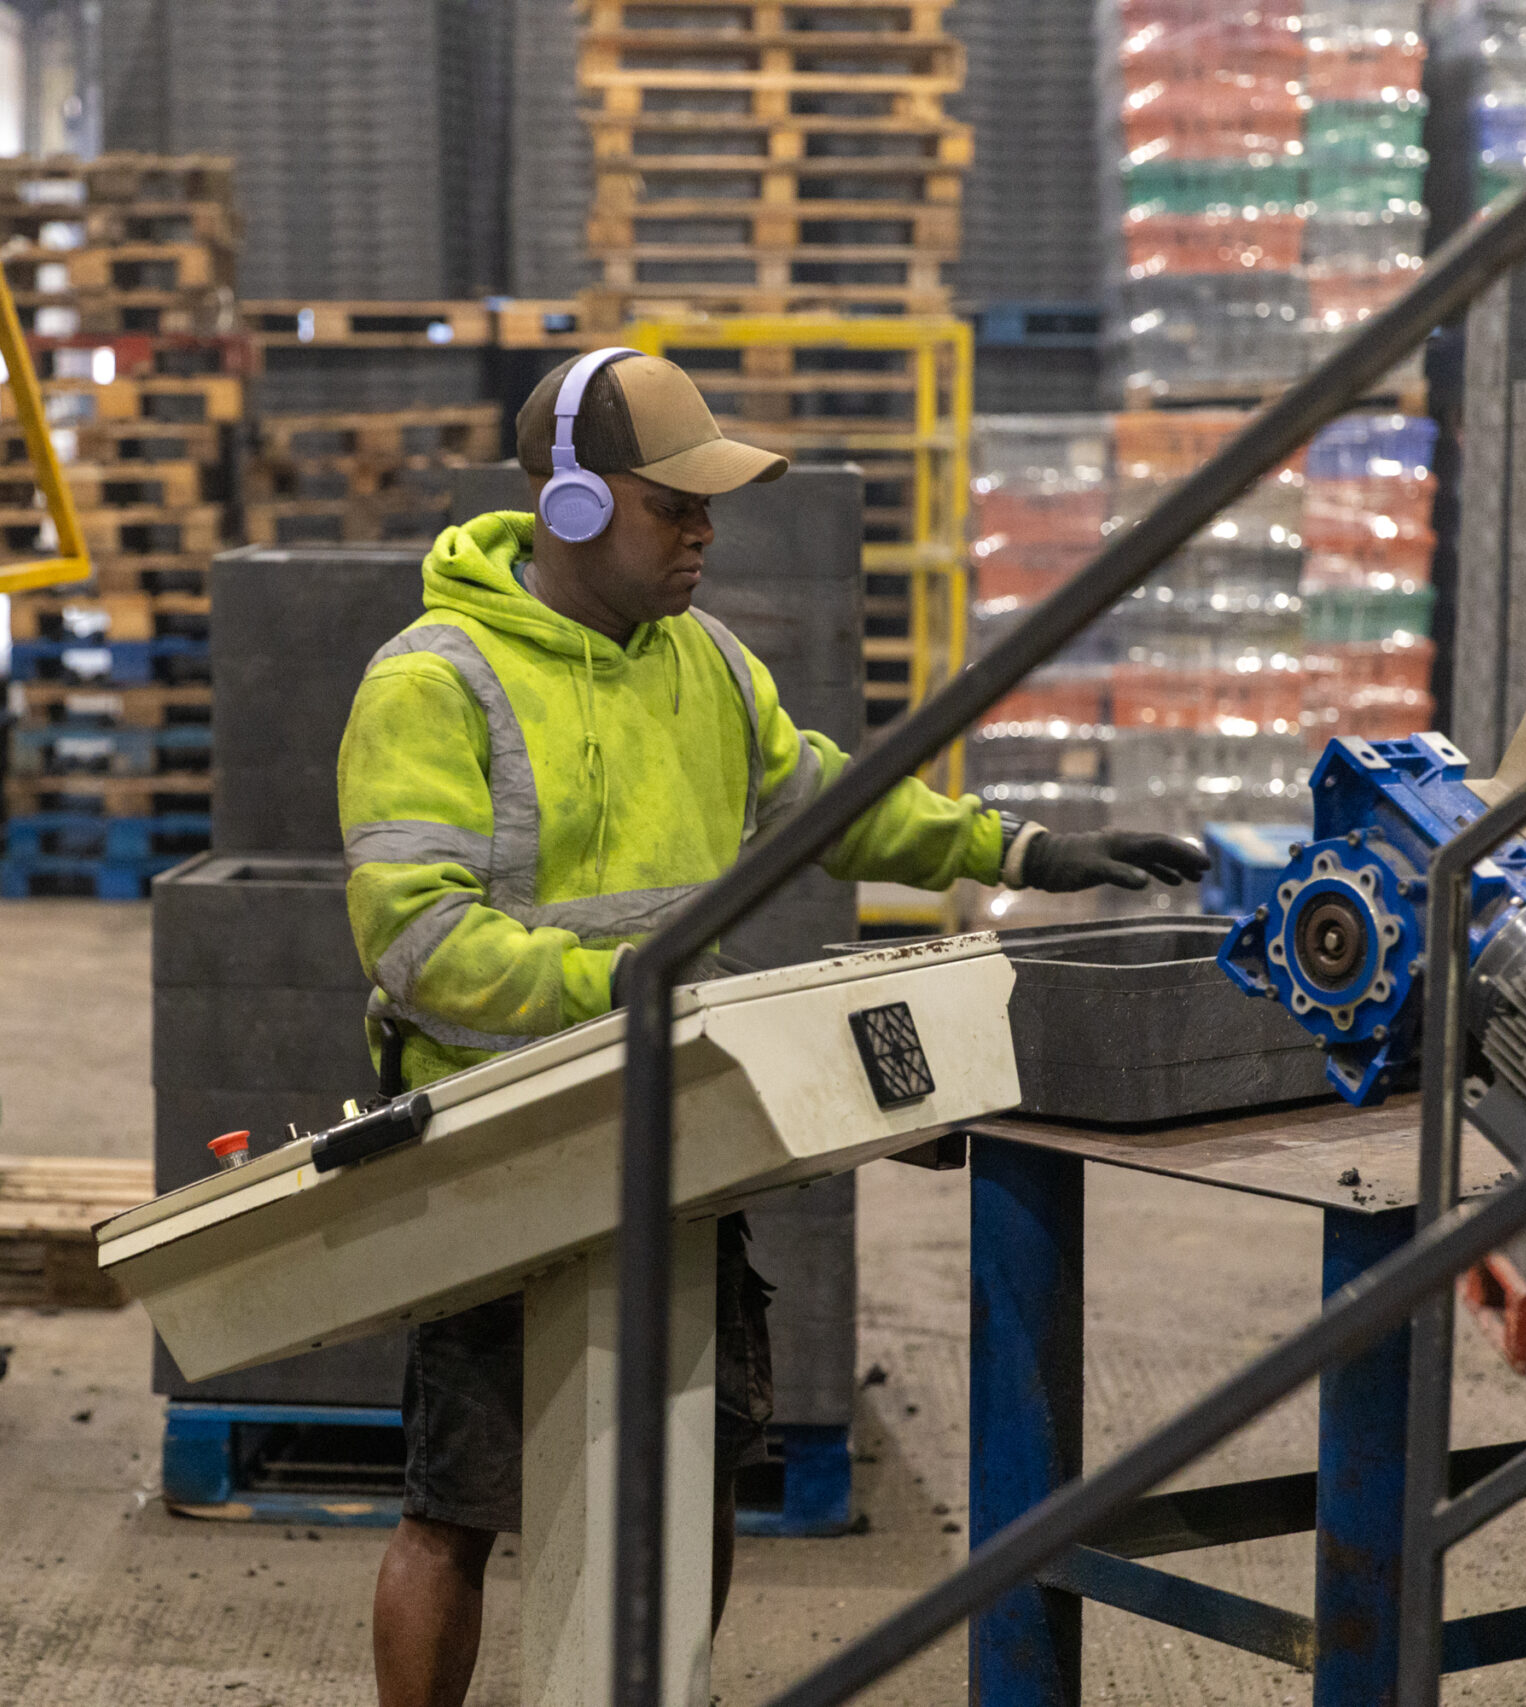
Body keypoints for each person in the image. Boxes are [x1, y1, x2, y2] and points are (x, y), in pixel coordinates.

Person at [336, 349, 1208, 1707]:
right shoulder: (435, 683)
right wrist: (622, 986)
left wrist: (1025, 850)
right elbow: (418, 942)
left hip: (674, 1135)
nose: (704, 532)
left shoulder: (706, 665)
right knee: (461, 1502)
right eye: (672, 505)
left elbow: (832, 804)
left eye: (709, 507)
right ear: (572, 503)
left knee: (700, 1469)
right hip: (503, 1150)